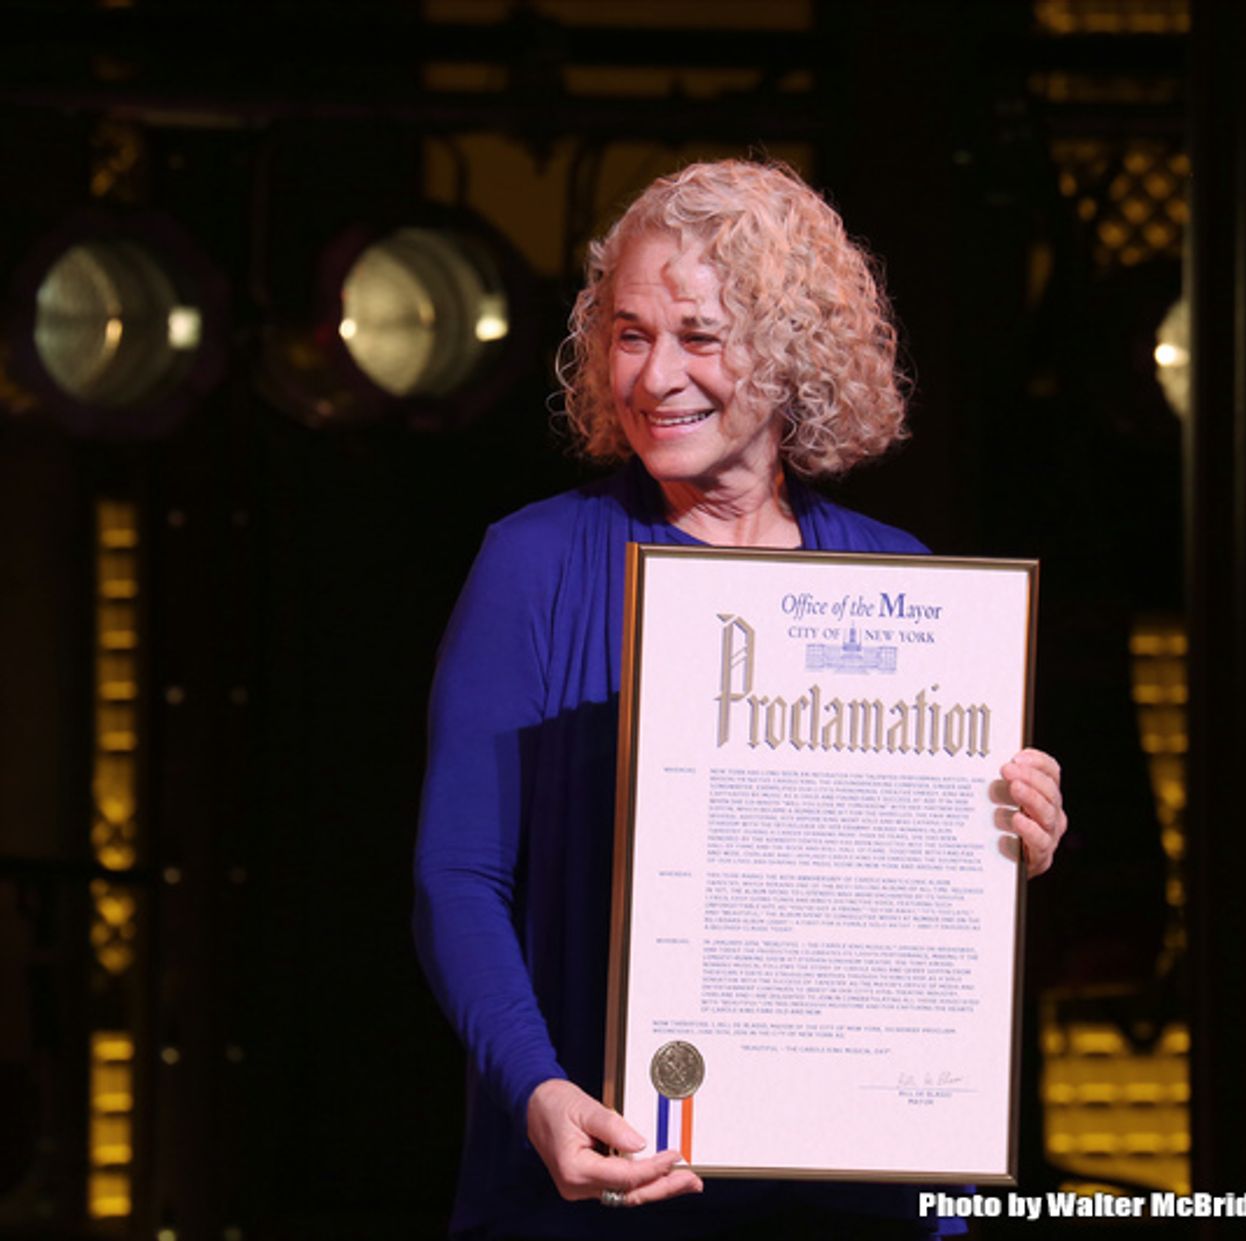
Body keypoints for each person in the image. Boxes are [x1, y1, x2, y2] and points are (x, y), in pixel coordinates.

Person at [414, 160, 1068, 1241]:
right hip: (607, 1191)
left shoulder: (899, 581)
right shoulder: (534, 565)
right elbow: (458, 876)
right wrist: (535, 1090)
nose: (654, 374)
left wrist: (1004, 839)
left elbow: (905, 907)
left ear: (790, 350)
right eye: (628, 333)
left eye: (698, 336)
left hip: (857, 1203)